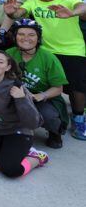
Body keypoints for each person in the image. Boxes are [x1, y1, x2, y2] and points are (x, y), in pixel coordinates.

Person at [4, 0, 86, 140]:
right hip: (46, 50)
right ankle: (51, 113)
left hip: (71, 49)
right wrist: (11, 12)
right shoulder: (32, 1)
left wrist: (72, 13)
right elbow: (19, 13)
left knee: (77, 87)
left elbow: (82, 6)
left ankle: (78, 117)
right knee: (47, 84)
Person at [0, 50, 49, 178]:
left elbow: (34, 122)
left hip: (15, 130)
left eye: (0, 61)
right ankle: (3, 151)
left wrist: (21, 99)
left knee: (10, 169)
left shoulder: (16, 86)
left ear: (8, 67)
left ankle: (36, 157)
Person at [6, 19, 69, 149]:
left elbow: (58, 88)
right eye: (21, 34)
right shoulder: (9, 54)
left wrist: (41, 96)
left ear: (38, 38)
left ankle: (55, 132)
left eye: (31, 35)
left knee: (49, 116)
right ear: (15, 36)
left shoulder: (48, 58)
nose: (26, 38)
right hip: (16, 94)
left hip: (42, 98)